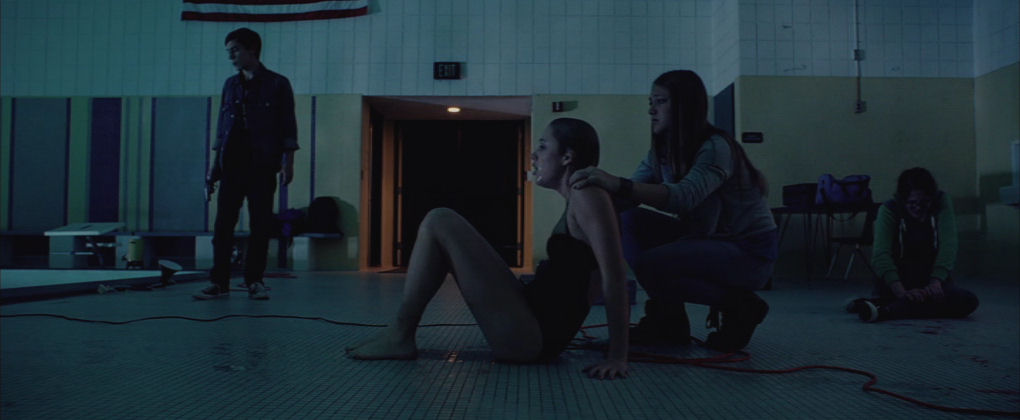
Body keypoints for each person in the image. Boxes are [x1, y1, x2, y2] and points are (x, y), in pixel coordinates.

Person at [346, 118, 631, 379]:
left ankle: (400, 335)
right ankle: (399, 333)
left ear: (567, 157)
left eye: (543, 146)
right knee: (440, 222)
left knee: (439, 219)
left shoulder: (587, 194)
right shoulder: (581, 196)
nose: (534, 155)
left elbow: (615, 275)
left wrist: (617, 356)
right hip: (533, 319)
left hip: (532, 339)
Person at [569, 70, 777, 352]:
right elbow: (628, 196)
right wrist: (581, 201)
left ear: (684, 106)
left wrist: (615, 183)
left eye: (660, 101)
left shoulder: (716, 147)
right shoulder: (663, 151)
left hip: (748, 251)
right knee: (628, 219)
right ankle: (669, 321)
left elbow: (683, 198)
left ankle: (740, 305)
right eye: (651, 102)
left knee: (650, 264)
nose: (651, 110)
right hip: (706, 238)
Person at [194, 28, 298, 301]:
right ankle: (219, 282)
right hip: (232, 163)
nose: (231, 56)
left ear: (252, 49)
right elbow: (222, 128)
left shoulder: (278, 83)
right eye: (229, 51)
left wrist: (288, 163)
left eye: (235, 50)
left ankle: (255, 281)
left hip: (263, 163)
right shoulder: (230, 84)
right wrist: (213, 168)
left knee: (260, 224)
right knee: (223, 224)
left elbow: (288, 125)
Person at [846, 167, 979, 322]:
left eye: (925, 202)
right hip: (899, 279)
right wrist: (902, 292)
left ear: (932, 198)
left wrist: (935, 281)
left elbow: (949, 245)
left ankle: (881, 307)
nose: (918, 208)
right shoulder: (888, 210)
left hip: (931, 278)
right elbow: (881, 255)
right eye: (912, 203)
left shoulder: (941, 202)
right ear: (903, 200)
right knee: (924, 302)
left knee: (968, 300)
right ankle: (886, 311)